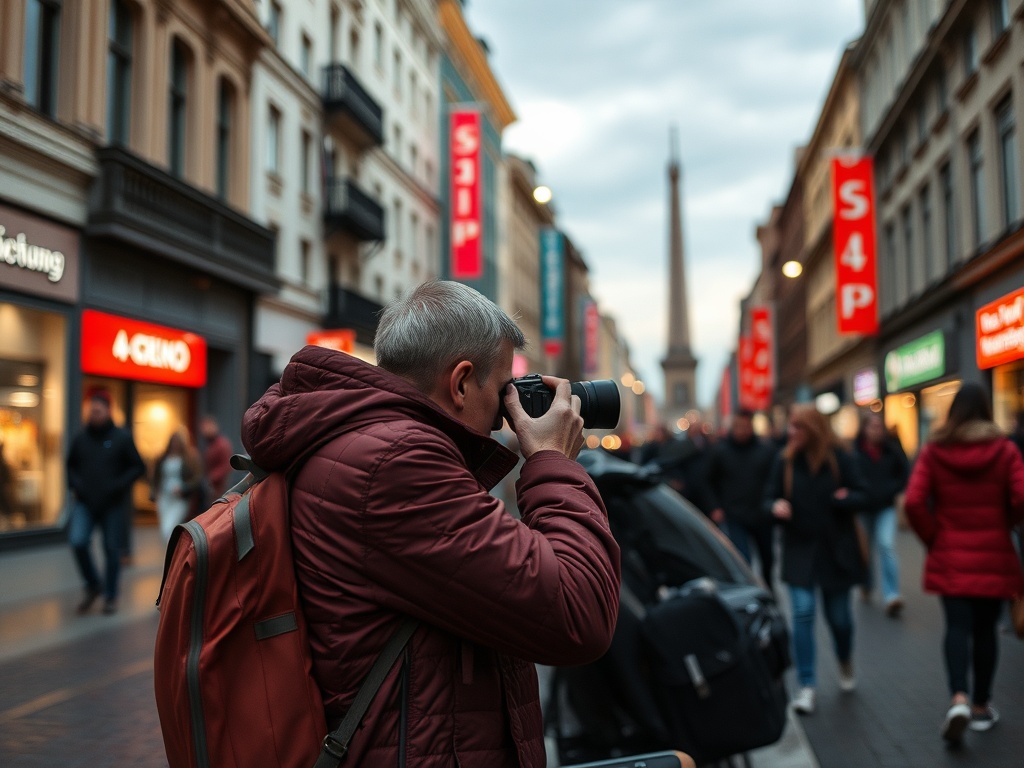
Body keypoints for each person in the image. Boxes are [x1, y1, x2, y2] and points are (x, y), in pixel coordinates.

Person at [240, 280, 621, 767]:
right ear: (460, 383)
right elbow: (578, 610)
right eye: (502, 389)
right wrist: (553, 461)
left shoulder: (366, 444)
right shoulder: (395, 464)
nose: (506, 414)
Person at [903, 383, 1024, 745]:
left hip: (950, 554)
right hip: (994, 553)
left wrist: (933, 538)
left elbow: (913, 502)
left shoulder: (935, 450)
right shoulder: (1004, 449)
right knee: (986, 631)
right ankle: (982, 707)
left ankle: (958, 698)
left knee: (956, 628)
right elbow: (1021, 497)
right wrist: (1005, 523)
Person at [764, 403, 867, 716]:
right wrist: (775, 506)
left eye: (797, 427)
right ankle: (807, 685)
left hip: (835, 550)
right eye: (791, 426)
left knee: (840, 620)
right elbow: (767, 497)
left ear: (813, 429)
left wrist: (846, 499)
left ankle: (845, 659)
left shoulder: (841, 458)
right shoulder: (785, 461)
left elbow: (864, 493)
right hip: (799, 549)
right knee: (803, 612)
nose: (791, 432)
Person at [66, 390, 145, 615]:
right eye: (91, 411)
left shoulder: (122, 438)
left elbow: (138, 467)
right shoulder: (81, 438)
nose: (94, 414)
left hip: (112, 504)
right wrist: (75, 485)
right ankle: (93, 584)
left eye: (98, 411)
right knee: (78, 541)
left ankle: (110, 596)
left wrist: (118, 485)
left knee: (111, 549)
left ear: (108, 411)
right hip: (85, 503)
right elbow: (70, 465)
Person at [706, 409, 778, 588]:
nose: (742, 431)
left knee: (768, 557)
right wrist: (715, 506)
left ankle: (768, 587)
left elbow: (774, 480)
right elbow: (708, 481)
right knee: (742, 559)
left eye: (745, 426)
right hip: (735, 515)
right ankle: (750, 591)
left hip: (762, 514)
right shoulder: (720, 451)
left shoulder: (766, 450)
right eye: (738, 426)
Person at [852, 411, 909, 617]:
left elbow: (905, 473)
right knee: (864, 551)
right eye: (872, 426)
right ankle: (866, 583)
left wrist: (892, 490)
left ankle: (892, 594)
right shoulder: (855, 452)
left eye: (879, 426)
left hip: (885, 507)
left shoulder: (891, 449)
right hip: (863, 509)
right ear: (864, 429)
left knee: (886, 545)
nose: (877, 431)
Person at [151, 427, 203, 542]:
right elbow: (156, 476)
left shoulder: (190, 457)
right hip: (164, 497)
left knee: (170, 526)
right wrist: (155, 491)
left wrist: (184, 487)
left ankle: (173, 551)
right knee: (164, 527)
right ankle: (172, 550)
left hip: (180, 498)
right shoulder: (163, 457)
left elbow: (197, 477)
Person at [199, 415, 233, 500]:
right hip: (211, 486)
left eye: (207, 427)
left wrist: (212, 477)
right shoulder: (210, 445)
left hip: (219, 486)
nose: (204, 430)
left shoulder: (221, 444)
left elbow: (226, 465)